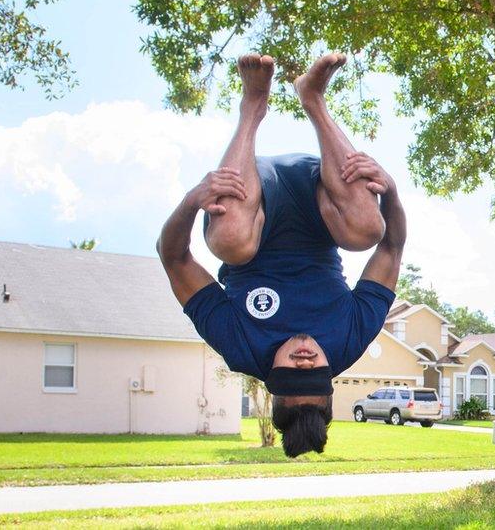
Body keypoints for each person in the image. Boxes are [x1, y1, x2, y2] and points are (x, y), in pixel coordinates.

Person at [157, 53, 405, 458]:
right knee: (369, 229)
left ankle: (253, 107)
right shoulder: (350, 339)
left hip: (253, 202)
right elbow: (392, 248)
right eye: (316, 374)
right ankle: (313, 99)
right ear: (330, 377)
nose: (305, 361)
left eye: (292, 375)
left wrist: (191, 202)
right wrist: (390, 190)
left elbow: (175, 260)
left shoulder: (240, 345)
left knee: (231, 241)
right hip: (323, 199)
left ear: (271, 378)